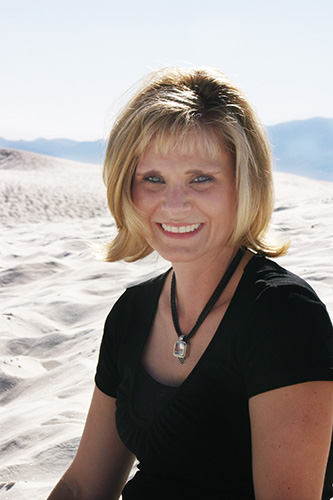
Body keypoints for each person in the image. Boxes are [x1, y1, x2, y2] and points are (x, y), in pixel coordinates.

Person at [47, 66, 333, 500]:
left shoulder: (283, 315)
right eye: (153, 179)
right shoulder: (132, 312)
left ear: (245, 183)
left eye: (201, 178)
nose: (174, 204)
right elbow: (84, 485)